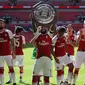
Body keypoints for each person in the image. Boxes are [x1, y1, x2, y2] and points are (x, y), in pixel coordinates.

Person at [0, 19, 16, 85]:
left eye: (1, 23)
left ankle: (14, 82)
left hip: (8, 54)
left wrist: (14, 53)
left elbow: (13, 43)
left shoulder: (8, 32)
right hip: (0, 55)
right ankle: (2, 83)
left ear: (4, 24)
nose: (0, 24)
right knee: (1, 70)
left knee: (11, 68)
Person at [72, 20, 85, 85]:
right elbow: (76, 44)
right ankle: (74, 82)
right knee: (77, 68)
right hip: (80, 52)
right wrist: (80, 34)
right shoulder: (80, 32)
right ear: (83, 24)